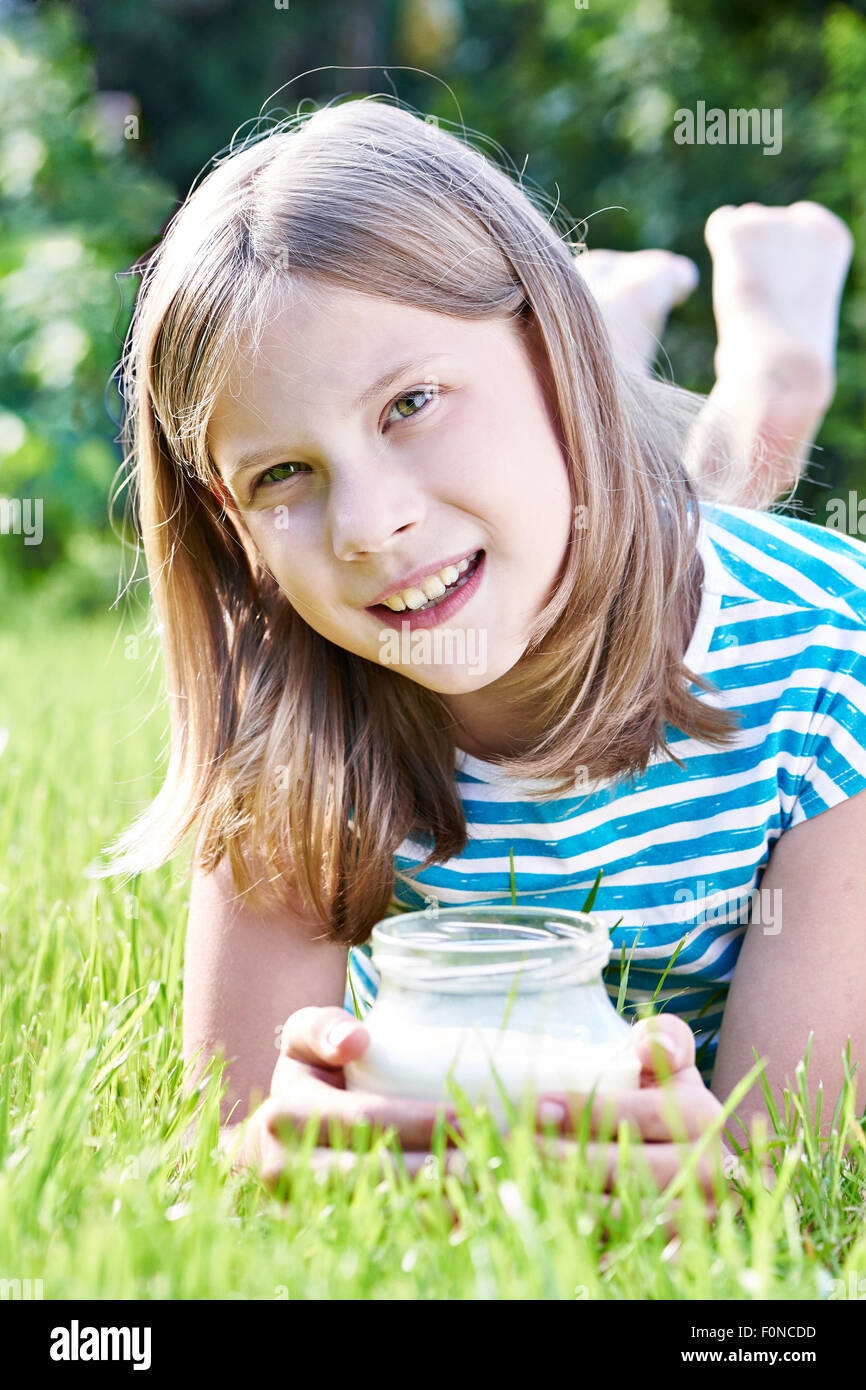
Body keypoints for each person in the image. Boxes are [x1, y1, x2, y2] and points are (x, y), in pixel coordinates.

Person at [92, 96, 862, 1209]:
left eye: (409, 402)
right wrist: (275, 1151)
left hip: (658, 533)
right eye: (281, 476)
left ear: (554, 353)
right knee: (563, 509)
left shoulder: (827, 666)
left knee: (730, 456)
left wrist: (710, 1175)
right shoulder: (289, 698)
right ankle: (618, 323)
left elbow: (784, 1168)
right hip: (555, 491)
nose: (365, 526)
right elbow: (236, 1137)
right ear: (233, 527)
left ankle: (767, 347)